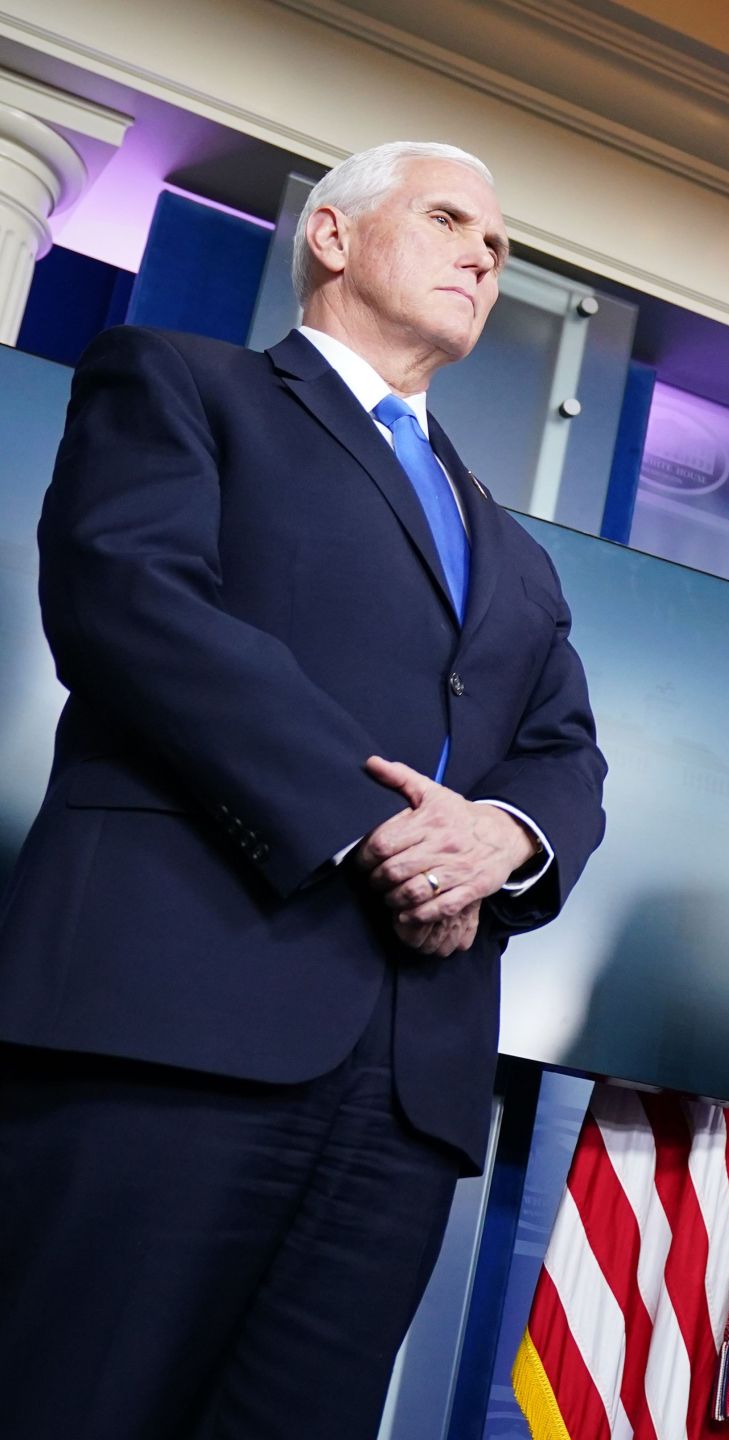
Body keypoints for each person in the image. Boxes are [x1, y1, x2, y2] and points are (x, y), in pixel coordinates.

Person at [0, 140, 608, 1437]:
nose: (483, 259)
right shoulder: (177, 382)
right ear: (332, 237)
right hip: (171, 1024)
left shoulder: (514, 550)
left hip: (406, 1093)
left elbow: (565, 753)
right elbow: (129, 601)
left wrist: (499, 839)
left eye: (497, 250)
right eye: (451, 221)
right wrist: (380, 828)